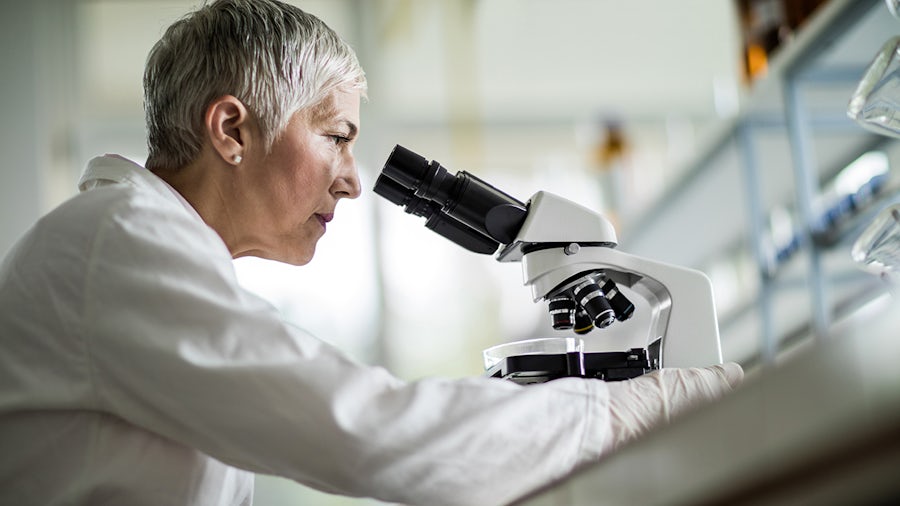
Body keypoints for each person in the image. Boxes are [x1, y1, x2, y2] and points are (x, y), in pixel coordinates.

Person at [0, 1, 743, 505]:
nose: (354, 181)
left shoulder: (137, 250)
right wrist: (629, 409)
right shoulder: (118, 243)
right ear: (231, 130)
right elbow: (360, 428)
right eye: (337, 137)